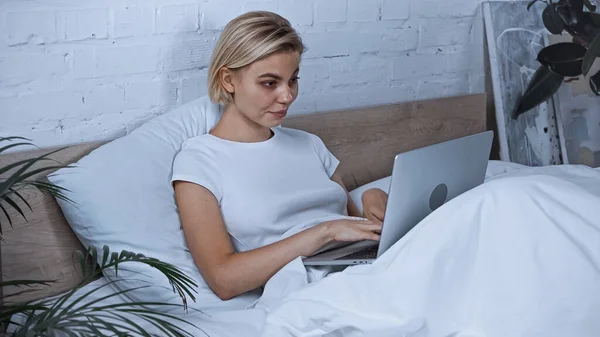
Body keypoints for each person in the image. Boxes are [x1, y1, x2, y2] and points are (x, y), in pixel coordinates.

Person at [171, 11, 388, 301]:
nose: (287, 96)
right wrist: (322, 234)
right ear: (228, 80)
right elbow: (224, 279)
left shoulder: (309, 144)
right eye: (270, 83)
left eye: (293, 80)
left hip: (364, 268)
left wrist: (372, 199)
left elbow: (351, 228)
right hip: (311, 286)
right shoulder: (200, 160)